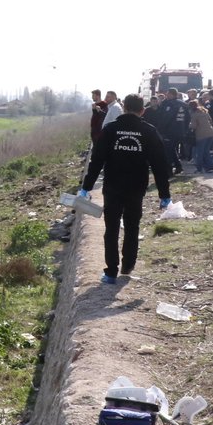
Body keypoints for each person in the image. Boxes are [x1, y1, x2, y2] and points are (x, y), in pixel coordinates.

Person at [80, 94, 172, 285]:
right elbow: (160, 165)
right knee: (132, 227)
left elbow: (97, 161)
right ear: (142, 110)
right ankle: (128, 265)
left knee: (111, 229)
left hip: (112, 186)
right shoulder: (149, 131)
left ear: (124, 107)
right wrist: (164, 194)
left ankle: (111, 272)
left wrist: (86, 187)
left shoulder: (110, 129)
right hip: (136, 188)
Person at [188, 100, 213, 173]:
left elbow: (193, 126)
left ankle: (199, 169)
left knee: (199, 152)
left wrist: (189, 125)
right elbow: (211, 121)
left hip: (201, 135)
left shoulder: (194, 114)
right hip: (211, 133)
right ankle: (209, 168)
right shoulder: (204, 111)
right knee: (206, 151)